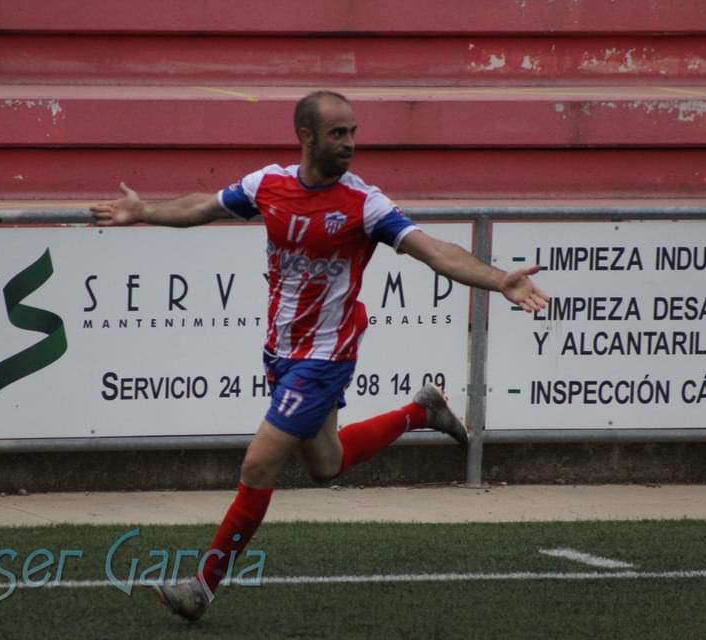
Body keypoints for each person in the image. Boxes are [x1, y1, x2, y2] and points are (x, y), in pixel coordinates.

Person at [90, 90, 549, 621]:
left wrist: (499, 280)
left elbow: (433, 251)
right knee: (326, 465)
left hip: (325, 357)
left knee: (260, 461)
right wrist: (143, 210)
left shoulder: (365, 204)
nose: (350, 143)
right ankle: (421, 411)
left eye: (353, 132)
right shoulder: (270, 184)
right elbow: (204, 205)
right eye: (338, 133)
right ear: (306, 136)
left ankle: (203, 587)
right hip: (282, 352)